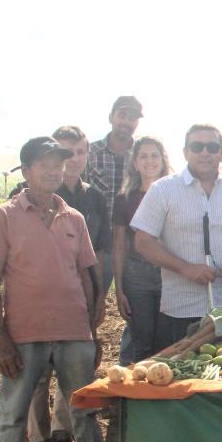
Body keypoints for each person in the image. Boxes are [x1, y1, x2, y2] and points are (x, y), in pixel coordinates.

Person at [0, 137, 118, 442]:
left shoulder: (73, 218)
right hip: (25, 334)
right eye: (44, 164)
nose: (54, 170)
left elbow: (88, 276)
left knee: (85, 410)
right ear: (26, 171)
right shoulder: (3, 216)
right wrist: (1, 339)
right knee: (12, 414)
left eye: (58, 164)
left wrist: (92, 331)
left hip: (74, 331)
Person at [11, 126, 109, 442]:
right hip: (36, 310)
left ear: (84, 157)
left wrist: (98, 299)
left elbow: (99, 252)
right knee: (39, 379)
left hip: (78, 302)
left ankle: (60, 436)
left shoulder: (93, 198)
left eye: (80, 152)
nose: (73, 159)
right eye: (66, 151)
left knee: (76, 379)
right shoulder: (21, 198)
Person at [131, 124, 222, 350]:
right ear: (185, 152)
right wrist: (185, 268)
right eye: (197, 146)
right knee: (181, 379)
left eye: (212, 147)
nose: (205, 153)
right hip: (181, 309)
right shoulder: (163, 190)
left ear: (221, 153)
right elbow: (143, 242)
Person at [113, 137, 171, 364]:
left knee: (167, 340)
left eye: (154, 155)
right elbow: (119, 246)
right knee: (142, 340)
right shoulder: (125, 198)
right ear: (135, 163)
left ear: (163, 160)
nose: (149, 161)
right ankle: (134, 393)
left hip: (169, 272)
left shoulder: (175, 194)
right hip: (138, 275)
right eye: (143, 156)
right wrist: (119, 288)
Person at [87, 95, 142, 293]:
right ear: (111, 117)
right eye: (122, 115)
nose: (126, 122)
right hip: (96, 243)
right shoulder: (90, 153)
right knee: (91, 298)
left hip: (133, 245)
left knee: (135, 302)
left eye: (132, 118)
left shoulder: (143, 156)